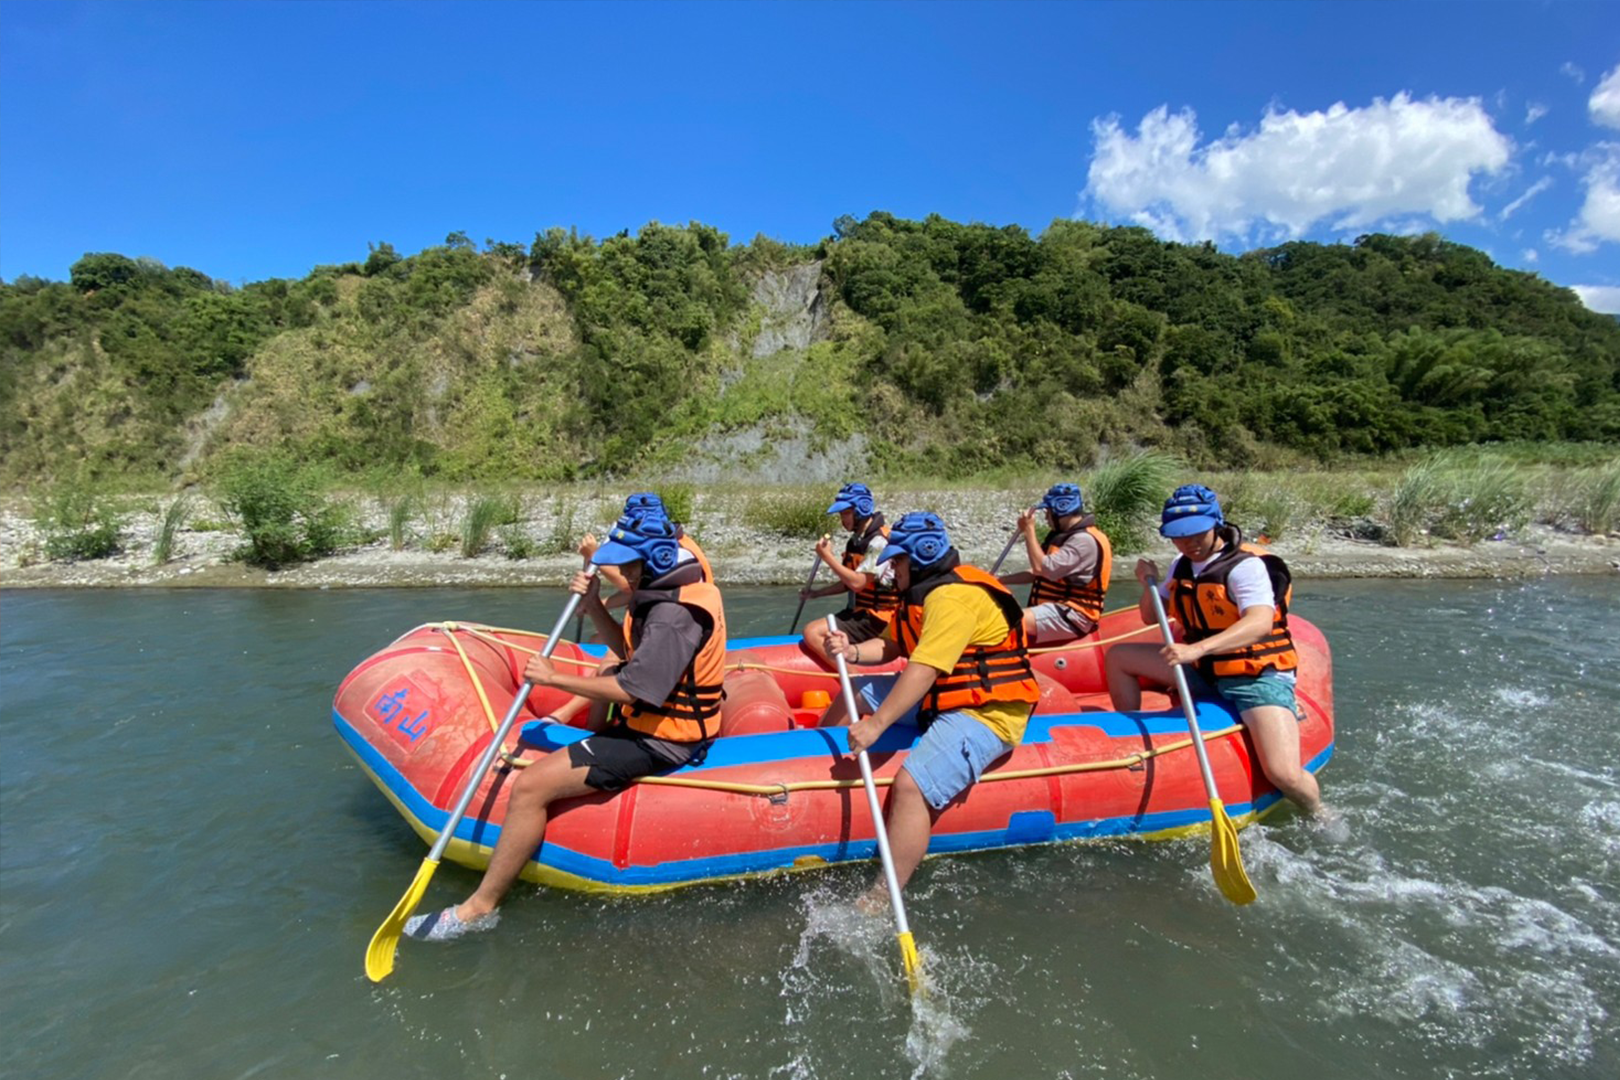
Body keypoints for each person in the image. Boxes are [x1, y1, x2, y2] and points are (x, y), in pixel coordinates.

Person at [404, 512, 727, 941]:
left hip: (663, 739)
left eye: (629, 563)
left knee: (530, 786)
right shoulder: (666, 590)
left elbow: (637, 689)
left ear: (656, 558)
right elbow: (627, 650)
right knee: (585, 713)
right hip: (651, 723)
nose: (623, 572)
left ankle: (479, 907)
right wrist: (594, 604)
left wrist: (553, 678)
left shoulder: (672, 614)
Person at [821, 512, 1040, 907]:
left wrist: (877, 726)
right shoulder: (920, 596)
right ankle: (809, 757)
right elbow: (892, 646)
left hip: (987, 711)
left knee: (910, 786)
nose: (892, 569)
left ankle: (882, 896)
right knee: (856, 691)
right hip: (944, 696)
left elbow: (923, 669)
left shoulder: (953, 598)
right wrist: (851, 650)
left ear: (921, 557)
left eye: (898, 561)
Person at [1103, 484, 1325, 817]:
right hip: (1206, 669)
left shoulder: (1245, 567)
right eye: (1178, 536)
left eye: (1195, 534)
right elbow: (1152, 615)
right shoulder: (1182, 563)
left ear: (1216, 524)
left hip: (1255, 677)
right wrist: (1148, 582)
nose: (1188, 543)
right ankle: (1133, 737)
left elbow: (1261, 622)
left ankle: (1320, 811)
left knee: (1283, 774)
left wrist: (1197, 650)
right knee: (1119, 657)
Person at [995, 482, 1112, 644]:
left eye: (1048, 512)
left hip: (1075, 614)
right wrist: (999, 580)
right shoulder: (1066, 535)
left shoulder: (1084, 541)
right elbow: (1037, 573)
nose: (1046, 517)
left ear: (1061, 510)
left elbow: (1042, 567)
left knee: (1006, 622)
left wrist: (1029, 530)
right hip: (1057, 608)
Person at [800, 482, 901, 662]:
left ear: (862, 509)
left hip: (878, 619)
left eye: (846, 513)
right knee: (815, 629)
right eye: (841, 514)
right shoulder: (855, 541)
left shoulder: (879, 542)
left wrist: (827, 557)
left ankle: (852, 677)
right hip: (859, 613)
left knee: (812, 632)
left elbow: (857, 583)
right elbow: (849, 581)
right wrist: (816, 594)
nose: (842, 519)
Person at [579, 492, 714, 614]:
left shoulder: (669, 553)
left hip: (680, 620)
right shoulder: (666, 542)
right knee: (595, 639)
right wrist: (595, 605)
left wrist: (594, 555)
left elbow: (628, 587)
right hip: (666, 614)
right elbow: (634, 589)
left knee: (597, 639)